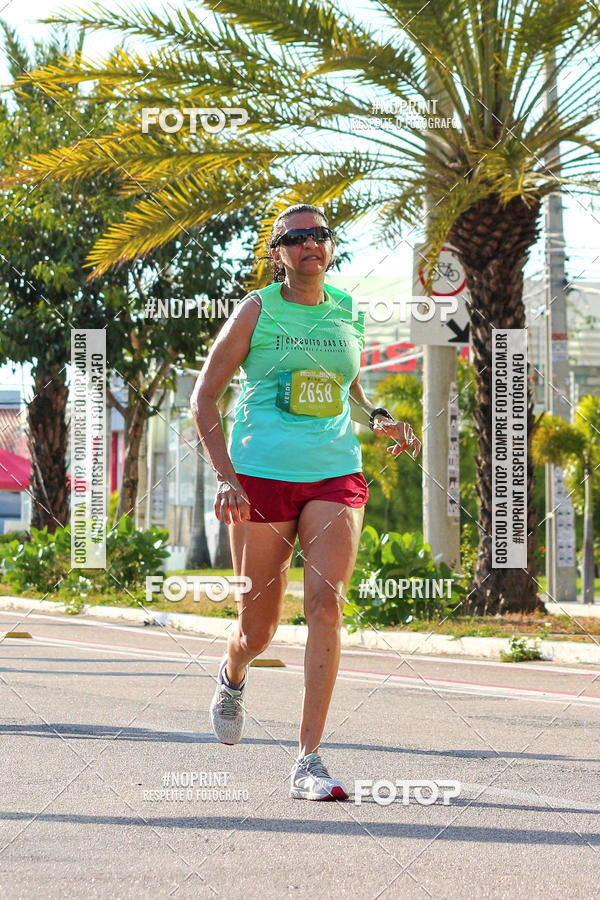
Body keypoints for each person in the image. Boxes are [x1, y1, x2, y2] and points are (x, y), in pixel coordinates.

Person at [190, 203, 421, 801]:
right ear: (279, 253)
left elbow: (344, 382)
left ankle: (308, 759)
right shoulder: (257, 310)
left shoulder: (346, 309)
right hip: (260, 478)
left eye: (318, 235)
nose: (309, 245)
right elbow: (204, 397)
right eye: (295, 238)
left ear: (331, 246)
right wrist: (225, 477)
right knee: (258, 629)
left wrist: (379, 418)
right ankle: (233, 671)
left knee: (325, 605)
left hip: (334, 472)